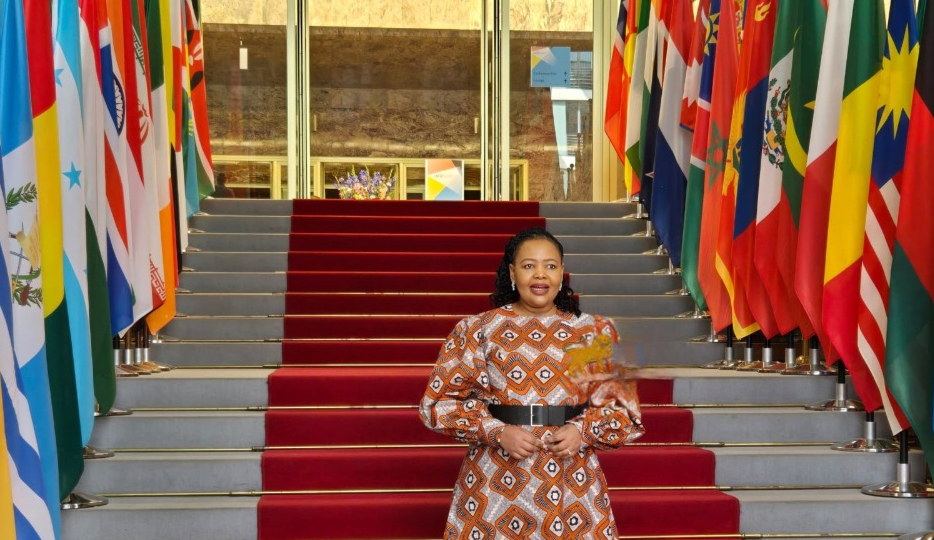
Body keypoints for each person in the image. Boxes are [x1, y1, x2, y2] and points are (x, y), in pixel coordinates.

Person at [419, 227, 645, 540]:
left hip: (571, 480)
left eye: (550, 266)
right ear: (512, 272)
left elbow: (625, 410)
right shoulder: (477, 330)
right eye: (529, 266)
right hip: (495, 479)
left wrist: (582, 432)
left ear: (562, 272)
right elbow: (438, 403)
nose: (540, 275)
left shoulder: (594, 332)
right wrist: (497, 431)